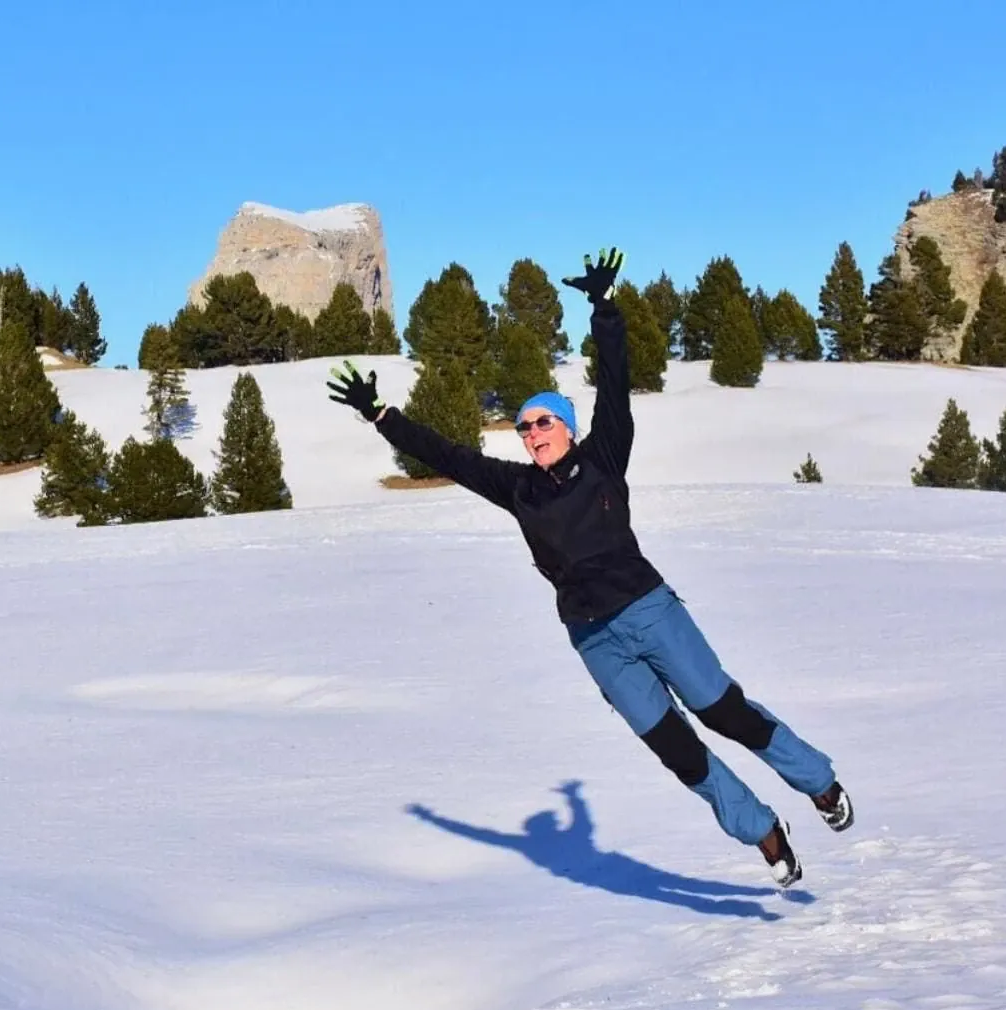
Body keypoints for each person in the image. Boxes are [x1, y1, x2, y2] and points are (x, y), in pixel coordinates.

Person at [326, 248, 852, 887]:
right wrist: (382, 416)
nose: (532, 432)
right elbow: (449, 455)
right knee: (677, 752)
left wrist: (605, 310)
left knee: (723, 712)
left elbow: (617, 380)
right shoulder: (518, 488)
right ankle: (762, 831)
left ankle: (819, 783)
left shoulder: (603, 457)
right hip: (594, 639)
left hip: (649, 609)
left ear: (568, 428)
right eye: (523, 427)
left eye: (544, 421)